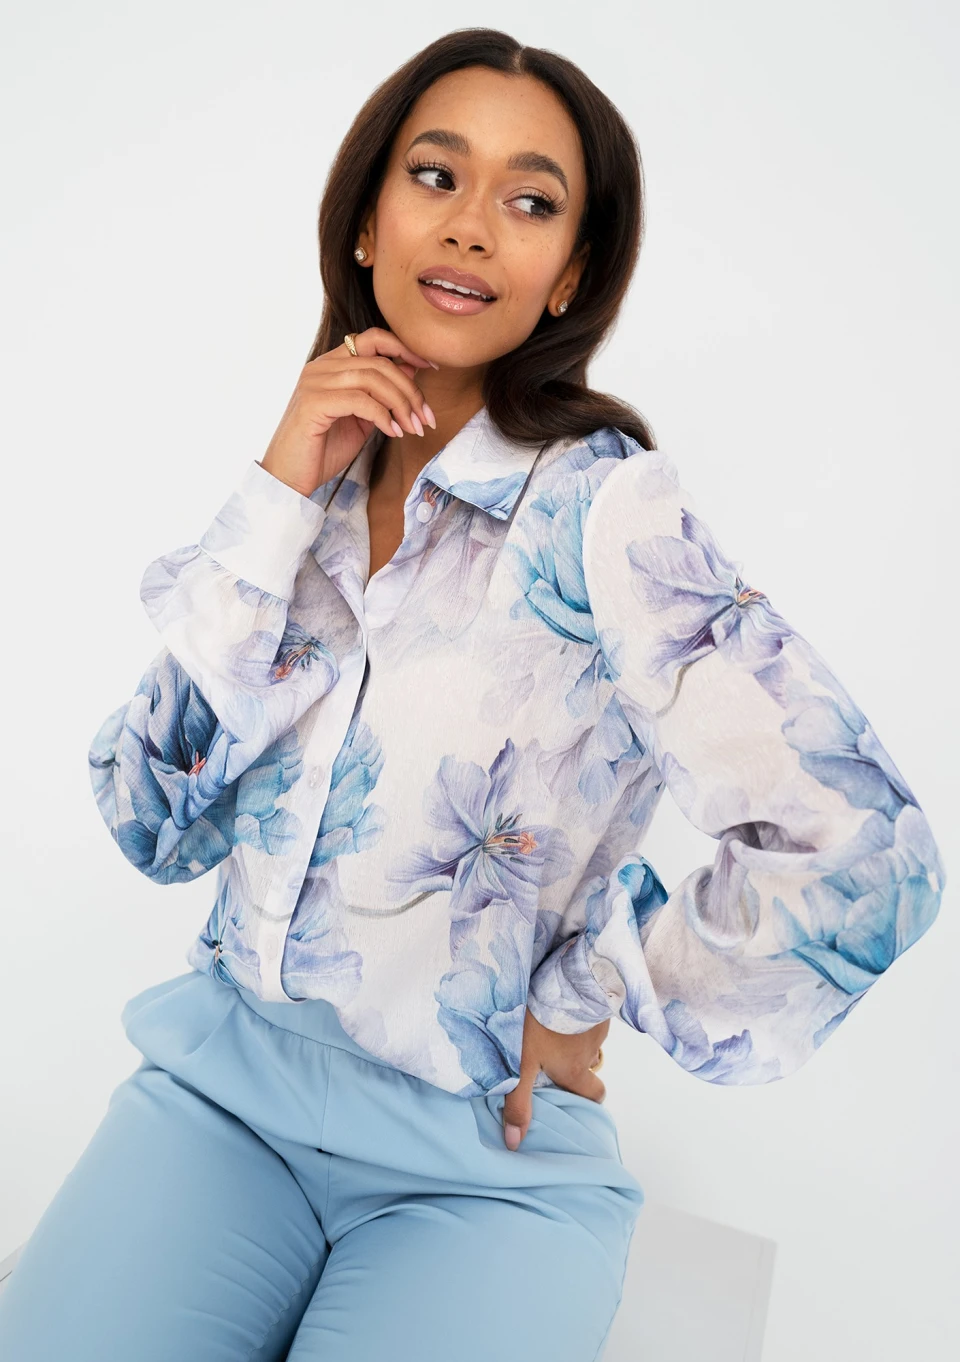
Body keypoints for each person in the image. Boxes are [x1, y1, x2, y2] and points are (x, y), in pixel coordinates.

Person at [0, 25, 944, 1362]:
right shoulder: (310, 489)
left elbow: (867, 851)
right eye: (436, 176)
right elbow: (149, 820)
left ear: (571, 278)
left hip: (482, 1166)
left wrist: (594, 982)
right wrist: (275, 494)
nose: (472, 226)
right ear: (367, 221)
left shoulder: (608, 512)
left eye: (531, 201)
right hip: (221, 1096)